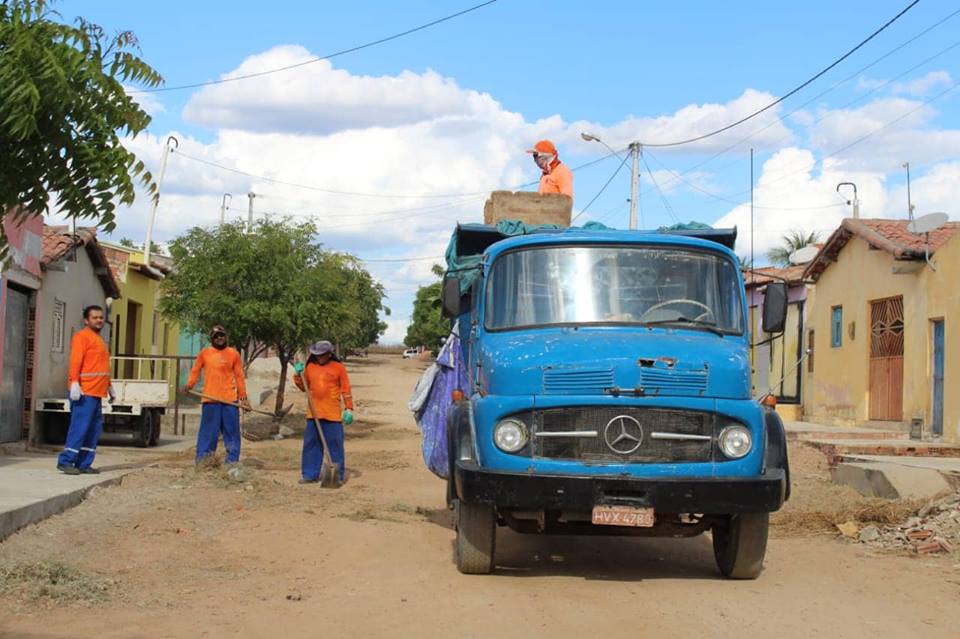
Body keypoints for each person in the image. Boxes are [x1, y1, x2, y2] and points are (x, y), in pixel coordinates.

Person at [57, 305, 114, 475]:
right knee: (79, 427)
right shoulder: (82, 337)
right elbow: (75, 361)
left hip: (97, 392)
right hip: (84, 391)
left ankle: (83, 463)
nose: (99, 320)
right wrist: (74, 382)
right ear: (86, 320)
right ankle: (66, 461)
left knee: (93, 429)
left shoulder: (100, 340)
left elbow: (101, 366)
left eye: (101, 317)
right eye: (95, 317)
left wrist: (109, 386)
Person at [181, 325, 248, 465]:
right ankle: (204, 462)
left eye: (222, 335)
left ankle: (232, 462)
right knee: (208, 433)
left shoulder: (233, 354)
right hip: (210, 400)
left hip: (230, 401)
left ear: (226, 337)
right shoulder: (205, 353)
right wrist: (189, 385)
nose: (219, 338)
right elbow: (195, 371)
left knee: (232, 433)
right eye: (216, 336)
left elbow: (239, 376)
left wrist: (243, 398)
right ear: (212, 338)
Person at [293, 341, 354, 484]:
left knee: (335, 446)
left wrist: (349, 408)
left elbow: (346, 389)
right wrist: (298, 374)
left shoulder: (338, 368)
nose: (319, 358)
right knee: (311, 445)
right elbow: (304, 387)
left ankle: (337, 477)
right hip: (313, 413)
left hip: (332, 414)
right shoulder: (310, 367)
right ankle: (310, 474)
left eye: (322, 355)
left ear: (329, 354)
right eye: (317, 355)